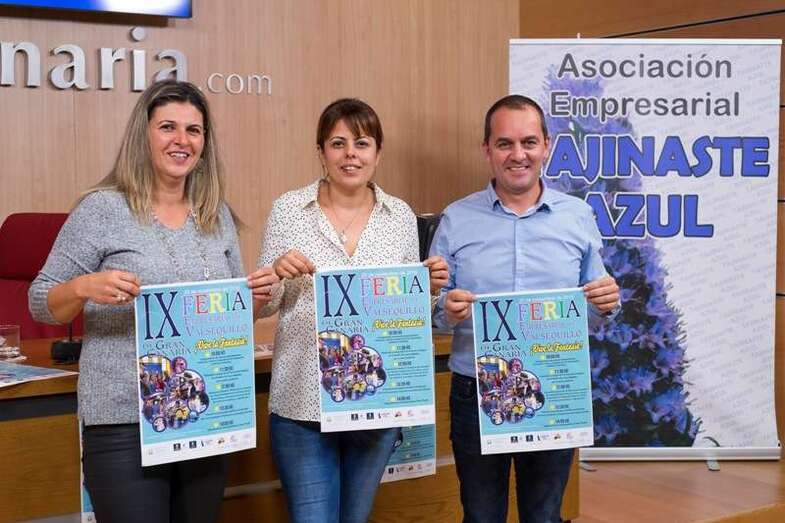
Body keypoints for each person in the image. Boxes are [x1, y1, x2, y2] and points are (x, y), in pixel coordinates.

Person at [28, 80, 278, 523]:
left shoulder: (215, 213)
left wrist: (252, 299)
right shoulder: (102, 209)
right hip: (124, 420)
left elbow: (227, 321)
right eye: (168, 127)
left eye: (194, 130)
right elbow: (41, 302)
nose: (181, 141)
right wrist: (85, 287)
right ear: (142, 136)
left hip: (205, 411)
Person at [255, 98, 449, 523]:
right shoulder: (289, 209)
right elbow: (261, 304)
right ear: (321, 152)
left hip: (375, 401)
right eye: (337, 143)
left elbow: (406, 314)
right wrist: (274, 272)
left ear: (377, 153)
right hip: (301, 404)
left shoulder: (398, 215)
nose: (350, 154)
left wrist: (428, 289)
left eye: (362, 143)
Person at [430, 94, 620, 523]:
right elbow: (434, 310)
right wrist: (446, 309)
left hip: (553, 385)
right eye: (504, 143)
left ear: (547, 146)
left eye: (529, 142)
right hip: (476, 389)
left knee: (544, 515)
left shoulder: (578, 216)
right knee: (480, 516)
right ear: (487, 150)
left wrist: (607, 304)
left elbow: (593, 304)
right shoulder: (456, 219)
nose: (518, 155)